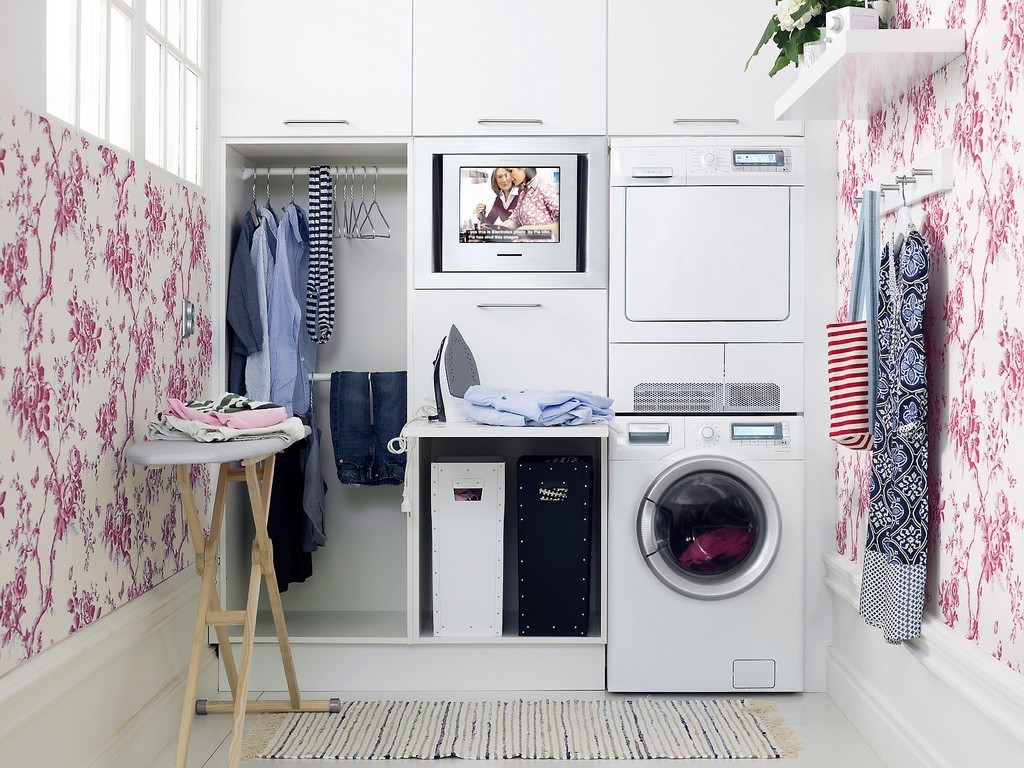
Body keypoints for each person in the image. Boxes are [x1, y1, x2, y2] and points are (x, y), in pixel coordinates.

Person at [501, 167, 559, 238]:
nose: (508, 177)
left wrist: (528, 231)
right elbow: (515, 220)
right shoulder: (523, 192)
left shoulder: (544, 186)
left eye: (510, 171)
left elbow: (561, 225)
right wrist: (493, 229)